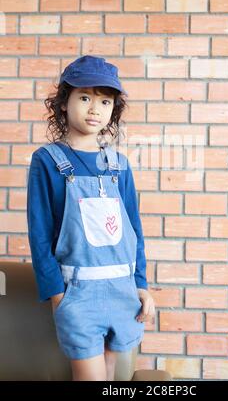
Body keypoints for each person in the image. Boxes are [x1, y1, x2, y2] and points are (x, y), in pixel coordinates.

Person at [26, 55, 155, 381]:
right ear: (64, 103)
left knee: (112, 378)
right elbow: (40, 235)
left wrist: (140, 284)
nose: (95, 108)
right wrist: (57, 294)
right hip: (77, 292)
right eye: (84, 97)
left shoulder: (119, 165)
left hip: (121, 290)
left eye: (105, 100)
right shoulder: (47, 161)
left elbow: (133, 230)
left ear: (114, 109)